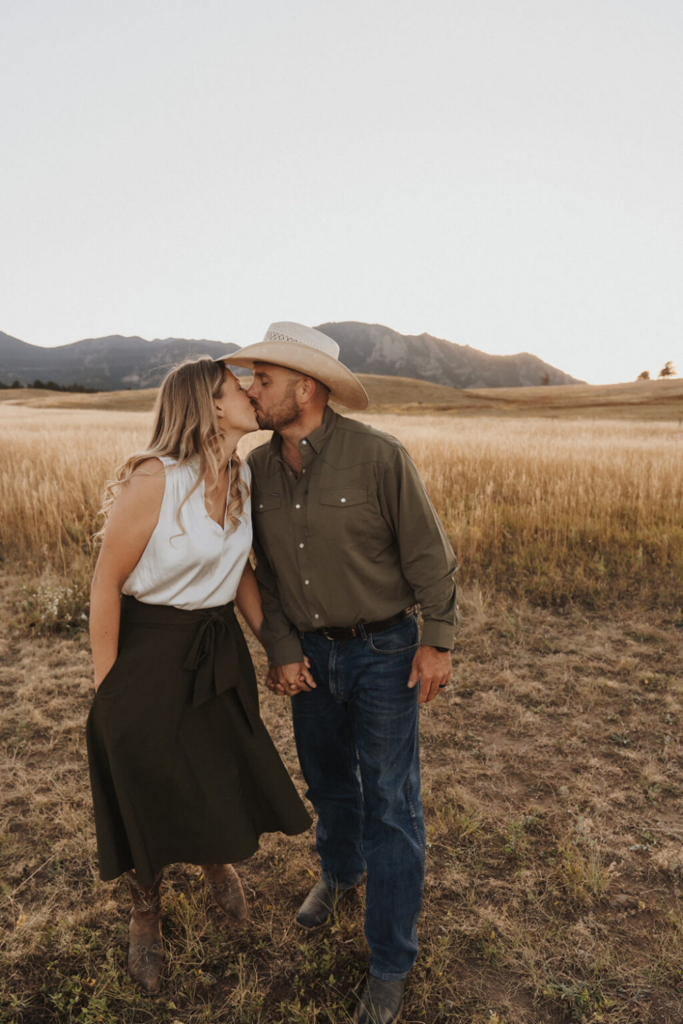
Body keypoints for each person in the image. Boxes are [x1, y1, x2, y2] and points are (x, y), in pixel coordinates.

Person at [222, 323, 457, 1024]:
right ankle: (339, 872)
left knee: (390, 803)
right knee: (328, 782)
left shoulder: (378, 456)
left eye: (261, 379)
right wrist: (280, 646)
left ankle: (388, 962)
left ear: (305, 387)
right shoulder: (253, 469)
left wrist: (436, 642)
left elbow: (429, 558)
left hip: (385, 652)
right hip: (309, 660)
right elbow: (254, 570)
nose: (249, 390)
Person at [86, 356, 311, 995]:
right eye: (237, 388)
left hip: (216, 645)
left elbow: (237, 570)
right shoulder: (156, 479)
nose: (250, 395)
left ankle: (215, 862)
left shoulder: (237, 473)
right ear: (210, 406)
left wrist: (275, 643)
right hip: (149, 649)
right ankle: (145, 910)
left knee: (213, 763)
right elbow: (105, 581)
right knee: (145, 774)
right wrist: (109, 689)